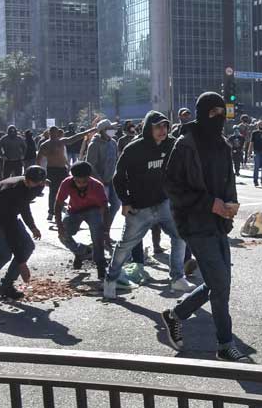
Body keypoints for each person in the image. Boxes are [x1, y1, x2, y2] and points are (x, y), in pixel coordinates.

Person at [161, 92, 246, 362]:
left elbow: (228, 180)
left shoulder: (222, 144)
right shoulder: (185, 144)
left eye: (222, 112)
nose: (218, 117)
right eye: (213, 113)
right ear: (202, 113)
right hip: (194, 223)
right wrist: (209, 203)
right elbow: (172, 187)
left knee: (218, 284)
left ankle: (175, 315)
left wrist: (230, 205)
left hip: (219, 223)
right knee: (220, 283)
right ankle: (224, 344)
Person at [105, 111, 192, 298]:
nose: (162, 130)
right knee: (124, 246)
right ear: (148, 129)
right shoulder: (134, 149)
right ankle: (110, 280)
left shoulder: (172, 145)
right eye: (157, 126)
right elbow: (118, 178)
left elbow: (184, 168)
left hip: (165, 204)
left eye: (165, 126)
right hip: (139, 208)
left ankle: (177, 278)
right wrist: (126, 202)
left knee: (181, 236)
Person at [0, 166, 48, 304]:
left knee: (28, 246)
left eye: (35, 182)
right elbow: (10, 228)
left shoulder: (38, 186)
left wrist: (33, 226)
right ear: (25, 177)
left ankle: (6, 286)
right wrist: (22, 264)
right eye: (28, 181)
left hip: (7, 215)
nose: (30, 184)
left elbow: (24, 206)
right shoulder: (10, 191)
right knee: (4, 254)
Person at [55, 161, 110, 277]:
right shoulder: (66, 183)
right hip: (74, 210)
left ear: (89, 178)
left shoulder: (97, 186)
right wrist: (59, 226)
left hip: (93, 210)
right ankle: (82, 252)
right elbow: (58, 204)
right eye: (77, 181)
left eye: (84, 181)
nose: (80, 184)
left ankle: (100, 264)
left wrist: (106, 230)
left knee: (97, 236)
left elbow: (105, 208)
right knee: (63, 235)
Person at [37, 123, 98, 221]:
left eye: (55, 132)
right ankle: (51, 212)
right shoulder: (45, 145)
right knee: (53, 192)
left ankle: (71, 210)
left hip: (62, 170)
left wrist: (89, 131)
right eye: (52, 132)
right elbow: (38, 160)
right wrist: (40, 174)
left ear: (57, 133)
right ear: (49, 133)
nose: (53, 134)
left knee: (70, 188)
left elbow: (75, 137)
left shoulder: (60, 142)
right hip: (52, 170)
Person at [84, 119, 120, 236]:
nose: (113, 131)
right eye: (110, 129)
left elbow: (116, 160)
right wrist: (99, 181)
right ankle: (99, 234)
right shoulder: (94, 145)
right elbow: (90, 165)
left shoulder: (113, 142)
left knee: (115, 205)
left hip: (112, 181)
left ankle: (106, 231)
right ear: (103, 131)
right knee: (101, 210)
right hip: (100, 183)